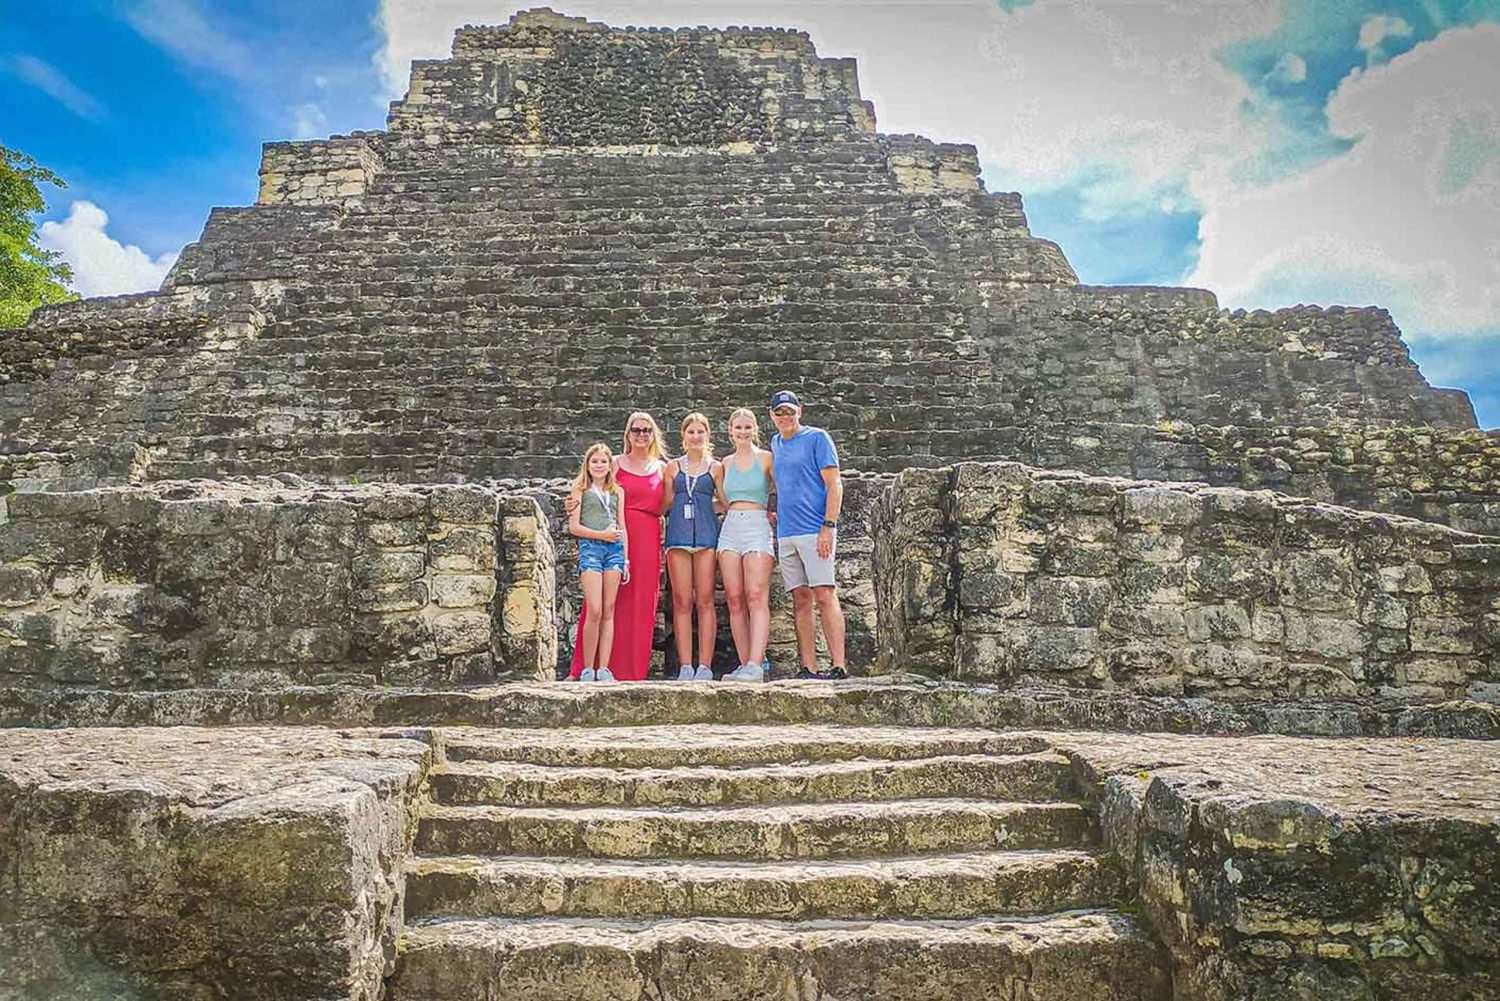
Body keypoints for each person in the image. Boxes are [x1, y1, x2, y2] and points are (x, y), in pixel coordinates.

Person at [567, 412, 668, 681]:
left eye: (647, 430)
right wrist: (572, 505)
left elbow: (669, 502)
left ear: (653, 433)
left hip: (646, 536)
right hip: (609, 536)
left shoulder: (661, 468)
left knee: (640, 603)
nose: (642, 435)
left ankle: (630, 670)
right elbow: (591, 488)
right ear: (628, 434)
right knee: (598, 605)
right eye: (636, 430)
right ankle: (586, 667)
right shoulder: (614, 463)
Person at [767, 390, 847, 680]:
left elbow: (834, 483)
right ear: (772, 415)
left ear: (800, 411)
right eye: (779, 412)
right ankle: (808, 666)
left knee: (825, 593)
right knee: (800, 599)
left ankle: (839, 664)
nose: (785, 417)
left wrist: (829, 525)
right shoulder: (775, 443)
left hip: (815, 529)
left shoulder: (817, 438)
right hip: (787, 532)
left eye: (789, 411)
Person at [714, 407, 776, 682]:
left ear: (755, 430)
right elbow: (719, 499)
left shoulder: (766, 459)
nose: (742, 432)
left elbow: (783, 490)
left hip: (757, 525)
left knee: (756, 595)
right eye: (738, 428)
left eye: (747, 427)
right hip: (731, 528)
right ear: (730, 430)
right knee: (735, 599)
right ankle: (744, 664)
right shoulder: (724, 463)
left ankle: (756, 663)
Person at [662, 412, 721, 681]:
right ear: (683, 436)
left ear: (707, 435)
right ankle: (686, 664)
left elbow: (724, 501)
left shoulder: (716, 467)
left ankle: (705, 665)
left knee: (706, 600)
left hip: (707, 536)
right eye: (691, 432)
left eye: (700, 432)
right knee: (682, 601)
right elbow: (665, 503)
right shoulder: (672, 467)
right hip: (678, 537)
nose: (696, 436)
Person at [568, 443, 629, 682]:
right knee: (594, 609)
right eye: (595, 461)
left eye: (603, 461)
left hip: (614, 551)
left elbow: (622, 525)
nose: (599, 465)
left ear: (610, 465)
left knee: (608, 609)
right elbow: (574, 527)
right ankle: (587, 667)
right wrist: (601, 535)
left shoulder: (617, 492)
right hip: (591, 548)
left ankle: (603, 667)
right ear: (588, 464)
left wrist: (625, 558)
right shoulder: (579, 489)